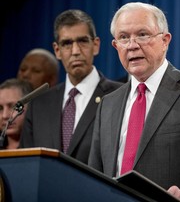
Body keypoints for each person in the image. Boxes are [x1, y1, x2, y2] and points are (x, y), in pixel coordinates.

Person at [88, 2, 180, 202]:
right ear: (116, 46)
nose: (132, 45)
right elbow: (93, 176)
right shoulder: (108, 103)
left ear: (165, 40)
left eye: (142, 34)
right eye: (123, 37)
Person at [19, 9, 123, 164]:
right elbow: (26, 164)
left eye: (82, 41)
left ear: (96, 45)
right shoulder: (38, 104)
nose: (75, 51)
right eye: (67, 43)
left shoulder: (120, 95)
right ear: (57, 50)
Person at [0, 78, 33, 149]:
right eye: (0, 108)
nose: (4, 116)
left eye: (13, 107)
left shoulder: (42, 149)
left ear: (30, 107)